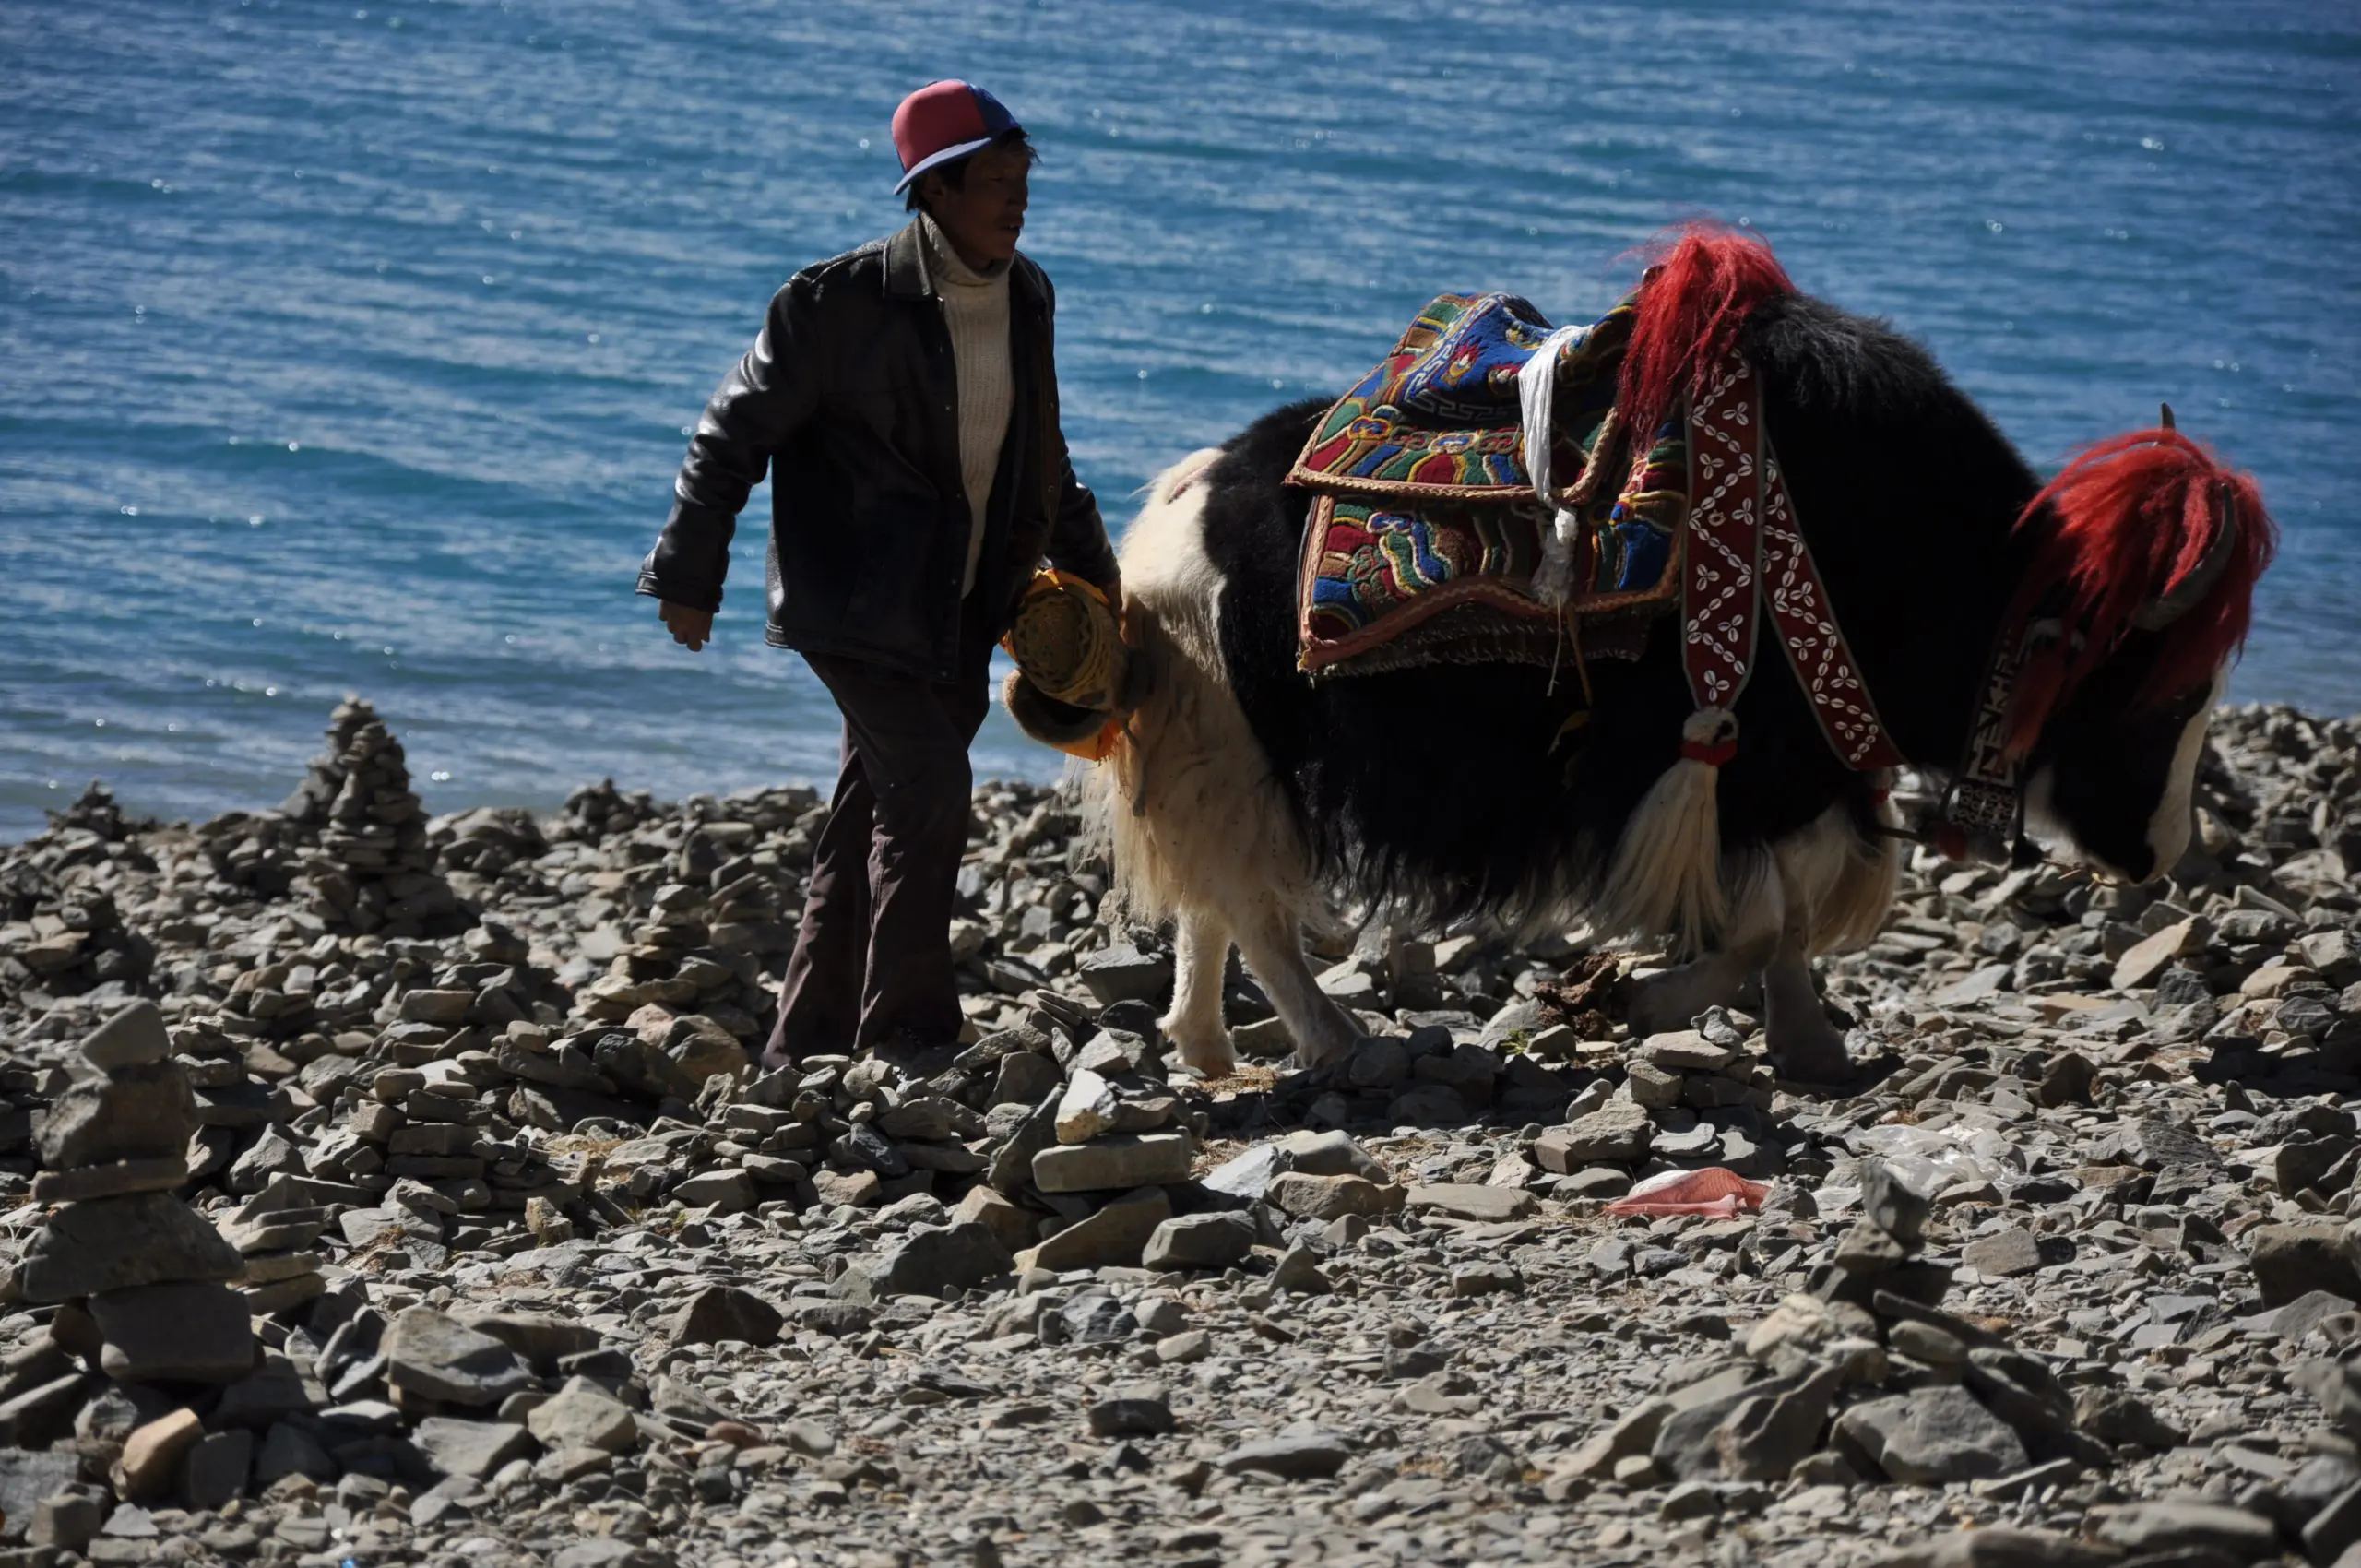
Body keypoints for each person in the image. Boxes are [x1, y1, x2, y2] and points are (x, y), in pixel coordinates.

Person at [637, 80, 1119, 1068]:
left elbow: (1043, 451)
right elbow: (729, 433)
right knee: (929, 784)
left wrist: (1097, 583)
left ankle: (801, 1048)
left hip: (967, 602)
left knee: (873, 807)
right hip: (854, 602)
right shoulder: (833, 303)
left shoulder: (1028, 293)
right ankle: (906, 1038)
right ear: (934, 189)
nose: (1016, 202)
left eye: (1022, 181)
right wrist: (690, 568)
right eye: (994, 183)